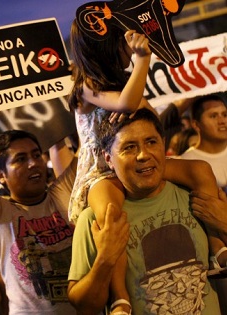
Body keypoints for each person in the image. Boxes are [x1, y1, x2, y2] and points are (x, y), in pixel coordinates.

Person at [67, 19, 221, 314]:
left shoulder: (127, 86)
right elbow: (126, 104)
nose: (132, 46)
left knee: (199, 170)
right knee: (112, 215)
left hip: (132, 166)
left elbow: (147, 116)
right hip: (102, 175)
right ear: (107, 46)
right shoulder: (86, 86)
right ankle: (120, 297)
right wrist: (143, 61)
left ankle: (218, 249)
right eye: (126, 41)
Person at [67, 108, 221, 314]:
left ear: (163, 144)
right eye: (129, 147)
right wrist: (105, 258)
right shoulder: (95, 221)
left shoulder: (196, 195)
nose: (143, 155)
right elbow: (85, 308)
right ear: (109, 159)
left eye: (151, 142)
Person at [0, 84, 77, 314]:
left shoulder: (62, 194)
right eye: (20, 159)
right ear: (1, 175)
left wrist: (73, 91)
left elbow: (89, 147)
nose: (33, 163)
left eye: (35, 155)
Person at [179, 94, 227, 193]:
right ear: (196, 125)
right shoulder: (186, 162)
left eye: (225, 115)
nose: (222, 121)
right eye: (213, 116)